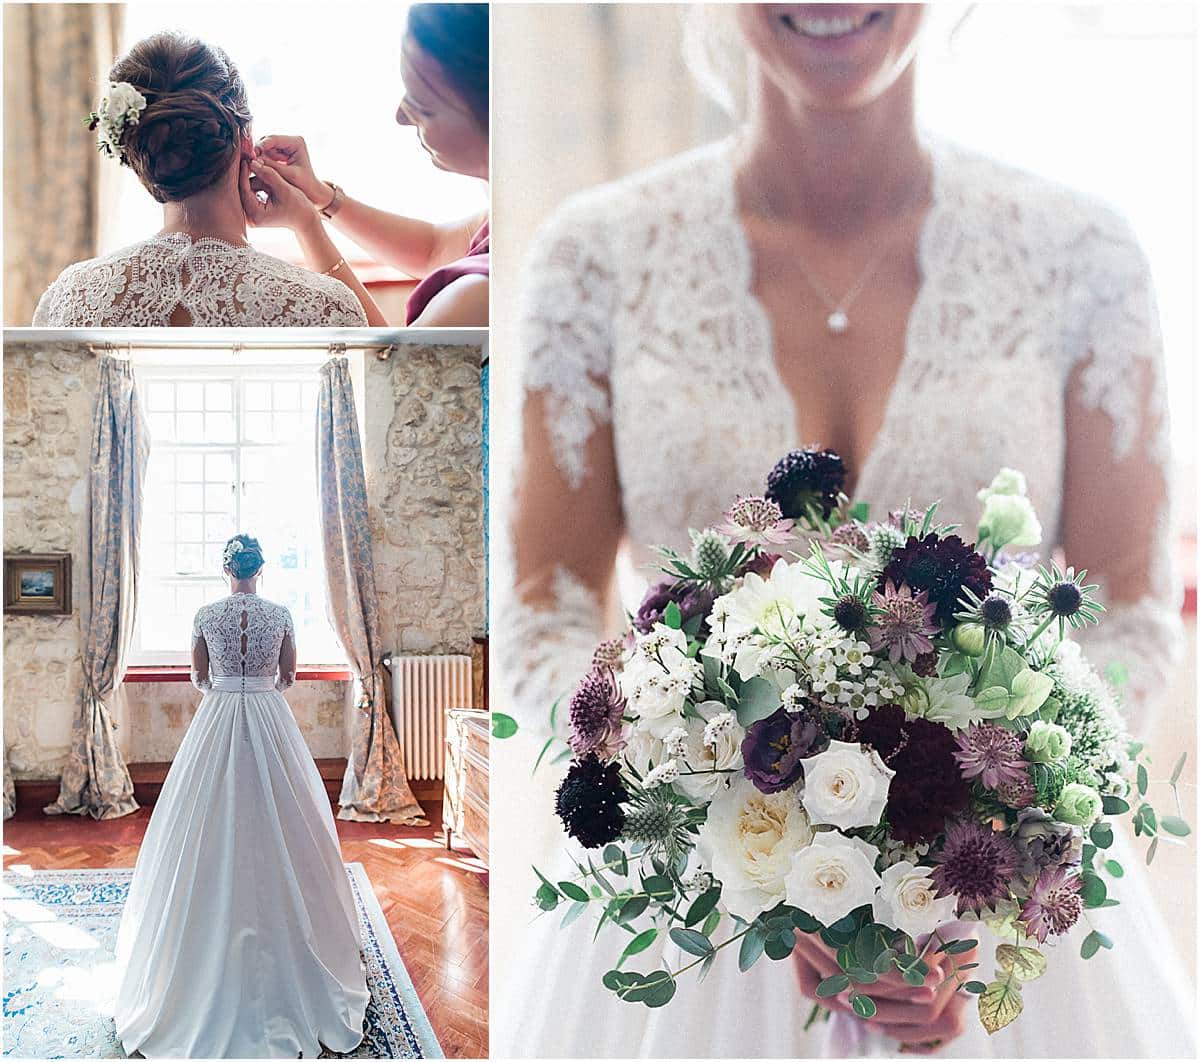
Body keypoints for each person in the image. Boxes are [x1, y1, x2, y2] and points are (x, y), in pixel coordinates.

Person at [495, 3, 1191, 1057]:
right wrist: (706, 805)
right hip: (695, 943)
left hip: (999, 940)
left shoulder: (1081, 253)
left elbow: (1128, 617)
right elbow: (547, 619)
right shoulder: (595, 259)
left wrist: (984, 881)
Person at [113, 535, 368, 1057]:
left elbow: (199, 677)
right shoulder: (281, 614)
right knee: (292, 817)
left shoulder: (206, 614)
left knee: (201, 820)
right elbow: (289, 676)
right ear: (262, 567)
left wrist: (229, 691)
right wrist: (258, 693)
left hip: (219, 715)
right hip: (271, 718)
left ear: (223, 569)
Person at [32, 32, 369, 327]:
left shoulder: (70, 298)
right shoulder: (326, 308)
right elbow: (383, 379)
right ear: (247, 138)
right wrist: (308, 222)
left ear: (134, 150)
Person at [255, 2, 489, 327]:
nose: (400, 116)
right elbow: (433, 249)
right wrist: (322, 197)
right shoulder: (515, 211)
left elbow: (386, 367)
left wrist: (307, 226)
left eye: (424, 107)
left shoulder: (477, 295)